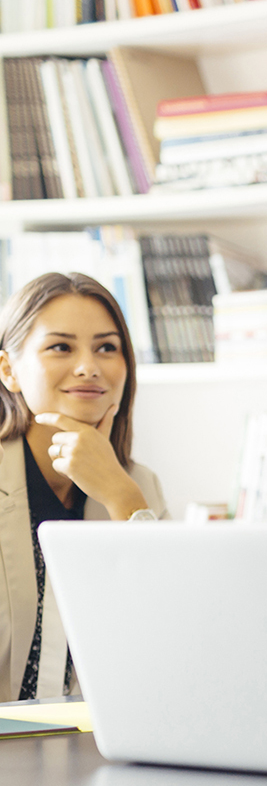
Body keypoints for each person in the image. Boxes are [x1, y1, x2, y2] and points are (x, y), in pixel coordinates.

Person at [0, 272, 168, 704]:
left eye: (107, 348)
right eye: (61, 346)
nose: (88, 366)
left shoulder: (138, 484)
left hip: (91, 746)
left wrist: (122, 497)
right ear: (8, 369)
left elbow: (171, 637)